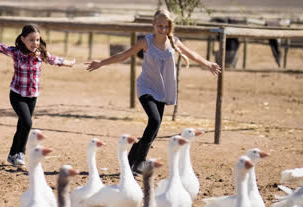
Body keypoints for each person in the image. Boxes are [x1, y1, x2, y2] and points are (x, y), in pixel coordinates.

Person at [86, 9, 221, 173]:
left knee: (154, 131)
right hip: (145, 87)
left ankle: (132, 157)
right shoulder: (146, 41)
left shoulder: (174, 42)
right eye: (159, 26)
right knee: (155, 121)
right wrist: (101, 62)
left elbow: (191, 54)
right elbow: (124, 55)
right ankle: (140, 162)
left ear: (170, 27)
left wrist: (208, 64)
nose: (163, 29)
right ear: (153, 25)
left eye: (166, 26)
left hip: (162, 90)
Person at [0, 24, 75, 166]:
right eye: (31, 40)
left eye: (37, 40)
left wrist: (70, 63)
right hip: (17, 95)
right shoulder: (16, 53)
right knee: (27, 123)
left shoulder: (41, 54)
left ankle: (13, 154)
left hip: (32, 96)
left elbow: (56, 60)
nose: (35, 43)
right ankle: (20, 153)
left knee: (23, 125)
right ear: (23, 39)